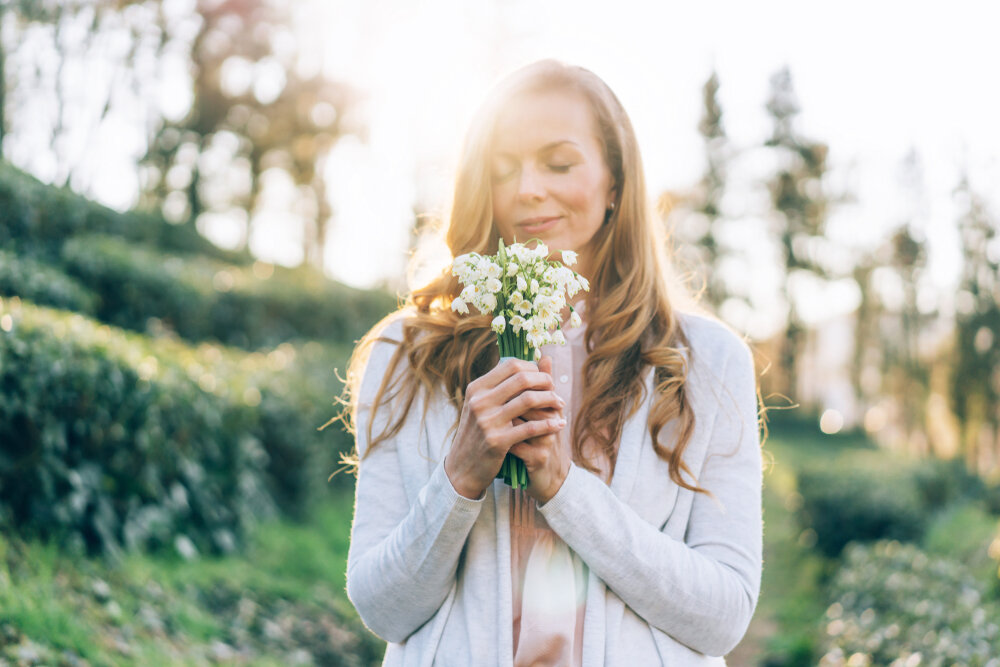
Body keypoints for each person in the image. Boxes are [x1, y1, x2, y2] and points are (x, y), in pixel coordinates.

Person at [342, 58, 763, 666]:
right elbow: (384, 609)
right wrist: (459, 476)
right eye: (503, 168)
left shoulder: (707, 362)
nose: (527, 189)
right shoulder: (408, 355)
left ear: (616, 181)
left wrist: (566, 490)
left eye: (558, 164)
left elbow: (723, 617)